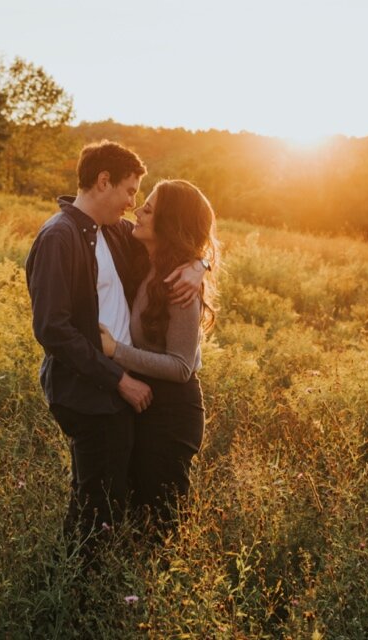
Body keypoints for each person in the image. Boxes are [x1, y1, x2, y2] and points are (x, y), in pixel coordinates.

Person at [25, 141, 207, 561]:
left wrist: (201, 266)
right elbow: (52, 328)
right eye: (129, 191)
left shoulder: (109, 231)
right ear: (103, 181)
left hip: (130, 396)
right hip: (91, 393)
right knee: (97, 505)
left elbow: (183, 236)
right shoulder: (61, 236)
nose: (133, 203)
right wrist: (119, 378)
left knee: (123, 502)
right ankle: (75, 594)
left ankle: (118, 587)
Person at [97, 179, 218, 532]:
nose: (137, 211)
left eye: (148, 209)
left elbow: (181, 367)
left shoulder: (179, 285)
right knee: (137, 515)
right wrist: (203, 262)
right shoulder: (145, 258)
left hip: (172, 414)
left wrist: (116, 351)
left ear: (168, 224)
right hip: (145, 404)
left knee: (161, 524)